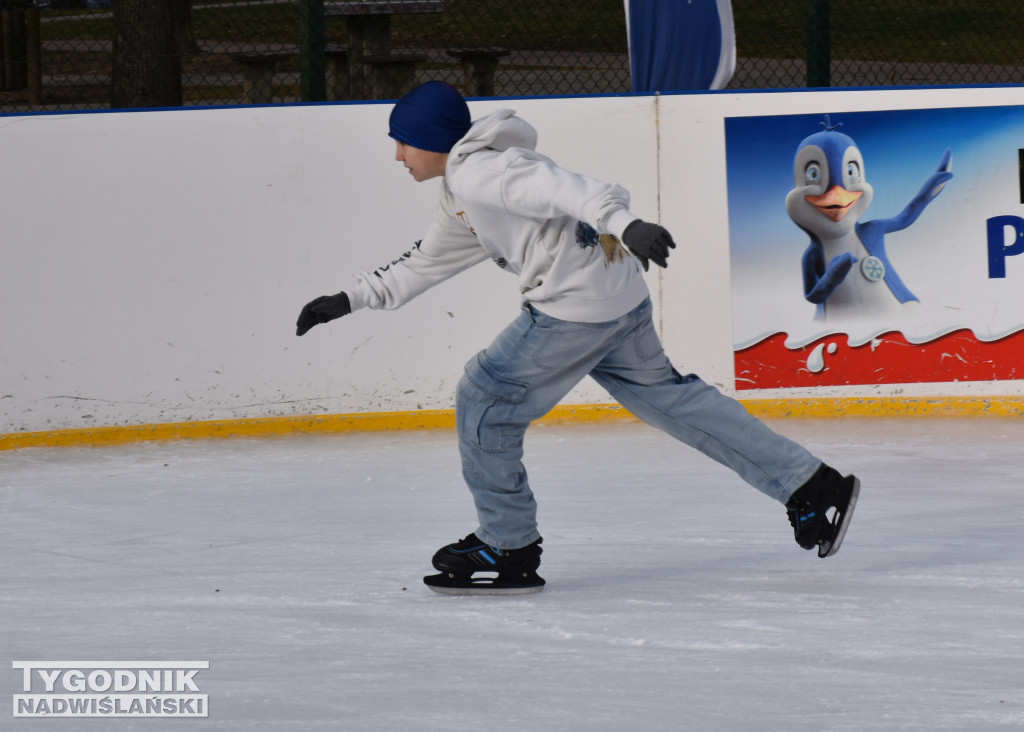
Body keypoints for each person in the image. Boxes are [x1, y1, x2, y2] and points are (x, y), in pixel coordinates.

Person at [296, 81, 859, 595]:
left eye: (403, 142)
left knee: (484, 400)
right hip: (618, 297)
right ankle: (811, 485)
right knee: (675, 401)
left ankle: (507, 544)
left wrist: (625, 222)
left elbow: (568, 188)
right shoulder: (461, 192)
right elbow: (423, 263)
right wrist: (348, 299)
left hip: (576, 309)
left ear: (432, 140)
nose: (397, 154)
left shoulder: (481, 172)